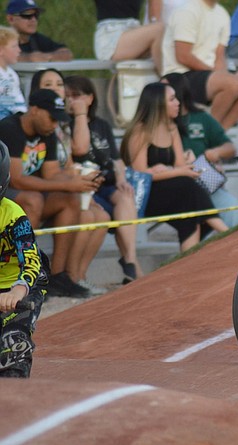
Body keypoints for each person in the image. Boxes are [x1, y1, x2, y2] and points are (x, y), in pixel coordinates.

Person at [0, 89, 104, 299]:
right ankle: (25, 274)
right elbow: (17, 178)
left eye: (58, 120)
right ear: (34, 110)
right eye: (52, 118)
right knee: (33, 199)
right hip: (6, 192)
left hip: (29, 194)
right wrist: (69, 184)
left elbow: (52, 174)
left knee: (70, 200)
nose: (55, 124)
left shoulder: (46, 132)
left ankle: (55, 276)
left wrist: (79, 182)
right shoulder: (10, 128)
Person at [120, 82, 229, 252]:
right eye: (171, 99)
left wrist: (181, 168)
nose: (178, 103)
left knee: (189, 205)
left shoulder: (172, 128)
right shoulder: (140, 131)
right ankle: (223, 230)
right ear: (158, 104)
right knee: (186, 187)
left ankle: (187, 261)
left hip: (171, 189)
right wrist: (175, 171)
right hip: (145, 195)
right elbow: (140, 174)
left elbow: (179, 165)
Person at [30, 69, 109, 296]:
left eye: (59, 83)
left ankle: (75, 277)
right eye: (48, 84)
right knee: (84, 214)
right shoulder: (43, 124)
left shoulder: (62, 123)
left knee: (101, 215)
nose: (56, 87)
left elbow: (70, 162)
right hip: (47, 192)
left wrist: (81, 177)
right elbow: (80, 150)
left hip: (62, 185)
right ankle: (61, 276)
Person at [64, 75, 144, 283]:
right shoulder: (65, 125)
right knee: (113, 211)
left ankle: (130, 260)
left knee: (126, 197)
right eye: (68, 96)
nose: (71, 100)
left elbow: (116, 159)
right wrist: (80, 116)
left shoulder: (102, 125)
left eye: (76, 96)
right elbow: (78, 152)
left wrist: (120, 178)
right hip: (85, 187)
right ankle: (131, 267)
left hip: (107, 182)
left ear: (90, 98)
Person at [161, 0, 238, 131]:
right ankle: (208, 132)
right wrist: (218, 74)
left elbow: (219, 55)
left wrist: (221, 73)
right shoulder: (187, 11)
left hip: (207, 73)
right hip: (180, 74)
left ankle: (220, 132)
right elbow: (183, 55)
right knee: (231, 83)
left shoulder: (222, 14)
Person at [161, 72, 238, 228]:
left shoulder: (201, 118)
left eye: (165, 88)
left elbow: (230, 148)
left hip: (204, 182)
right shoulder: (158, 124)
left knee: (232, 207)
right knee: (194, 219)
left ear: (178, 92)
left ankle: (237, 249)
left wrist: (214, 153)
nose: (161, 93)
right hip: (173, 186)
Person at [0, 141, 49, 378]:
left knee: (13, 346)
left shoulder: (13, 215)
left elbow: (30, 259)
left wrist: (18, 290)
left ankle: (13, 397)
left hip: (20, 285)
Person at [93, 0, 164, 70]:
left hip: (132, 32)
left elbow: (154, 10)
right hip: (110, 38)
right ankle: (166, 78)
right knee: (159, 29)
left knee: (166, 35)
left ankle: (166, 77)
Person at [5, 0, 73, 63]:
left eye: (36, 15)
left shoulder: (36, 38)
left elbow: (66, 53)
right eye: (27, 15)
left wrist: (46, 57)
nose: (33, 20)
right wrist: (29, 58)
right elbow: (4, 56)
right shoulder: (3, 38)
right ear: (11, 19)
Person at [0, 26, 26, 120]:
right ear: (1, 50)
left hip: (9, 124)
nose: (19, 50)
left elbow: (18, 103)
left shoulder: (12, 75)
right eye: (14, 46)